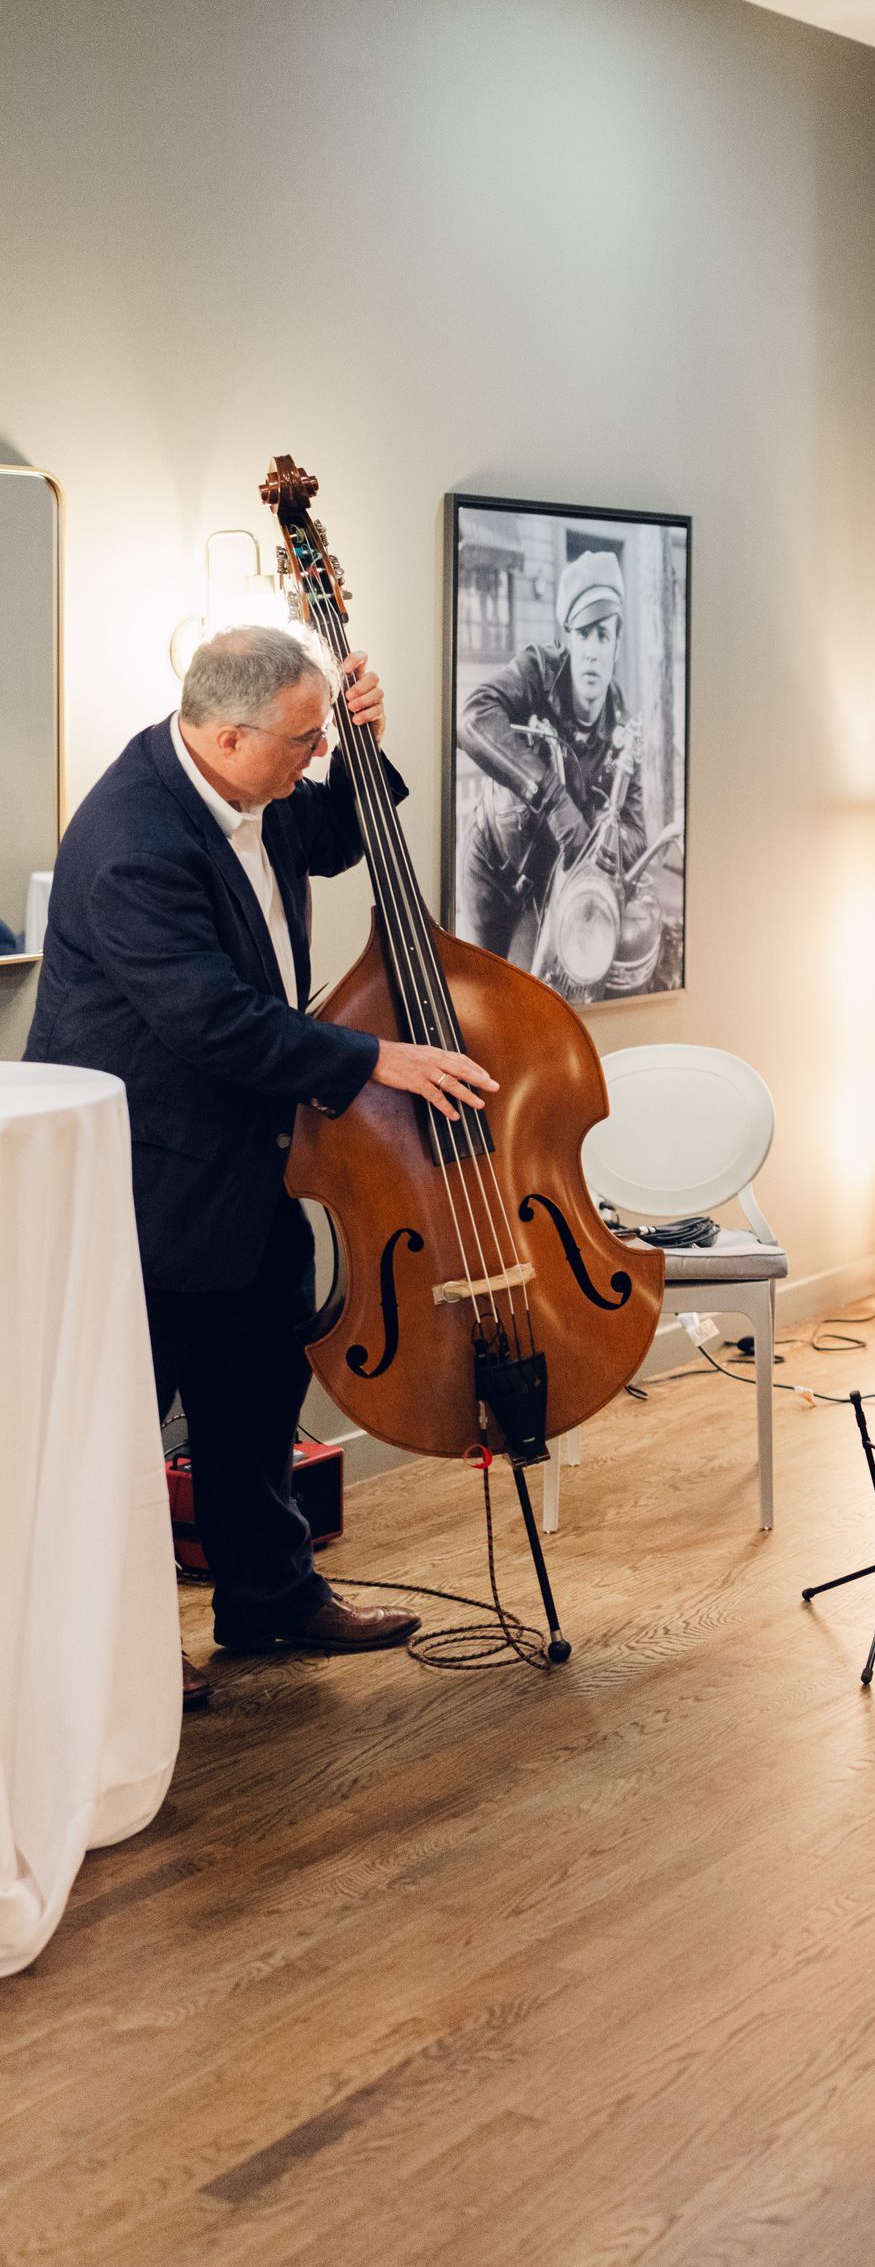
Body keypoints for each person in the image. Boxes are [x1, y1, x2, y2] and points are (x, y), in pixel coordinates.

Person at [28, 625, 497, 1702]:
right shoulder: (133, 838)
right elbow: (217, 1023)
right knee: (119, 1429)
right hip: (151, 1178)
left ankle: (271, 1599)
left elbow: (338, 832)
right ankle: (114, 1652)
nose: (311, 756)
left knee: (254, 1391)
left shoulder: (253, 789)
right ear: (229, 736)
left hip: (250, 1160)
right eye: (302, 740)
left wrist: (363, 753)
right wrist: (379, 1057)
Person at [455, 549, 650, 969]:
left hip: (544, 893)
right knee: (476, 994)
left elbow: (638, 833)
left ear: (617, 646)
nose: (593, 651)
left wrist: (602, 837)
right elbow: (473, 718)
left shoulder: (624, 734)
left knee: (530, 1001)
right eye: (583, 634)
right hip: (488, 865)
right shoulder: (537, 672)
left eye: (603, 636)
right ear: (568, 639)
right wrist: (554, 799)